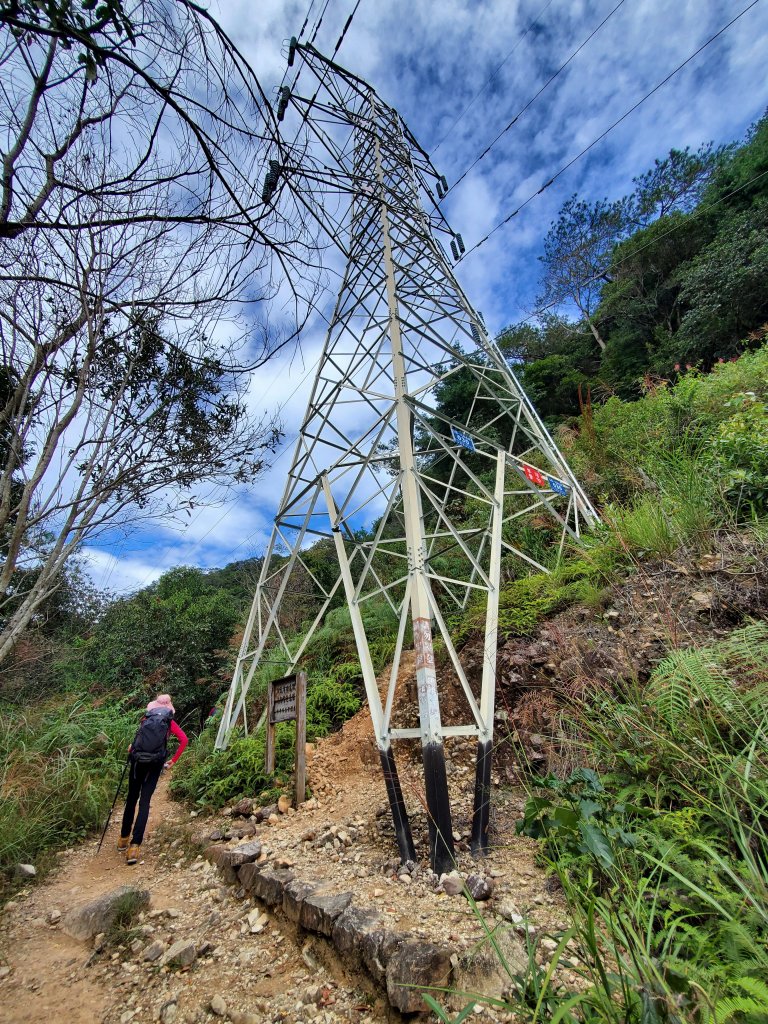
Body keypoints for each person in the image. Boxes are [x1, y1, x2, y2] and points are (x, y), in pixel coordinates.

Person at [118, 694, 188, 865]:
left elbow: (136, 742)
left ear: (153, 706)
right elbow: (184, 740)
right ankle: (134, 847)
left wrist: (132, 749)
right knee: (145, 802)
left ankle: (123, 839)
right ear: (169, 708)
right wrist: (173, 760)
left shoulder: (146, 718)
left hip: (137, 762)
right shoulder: (169, 722)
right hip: (154, 765)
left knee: (131, 799)